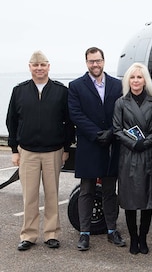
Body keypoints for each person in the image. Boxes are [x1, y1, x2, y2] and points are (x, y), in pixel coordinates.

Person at [6, 50, 74, 251]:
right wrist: (14, 150)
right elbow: (11, 121)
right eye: (35, 65)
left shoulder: (61, 91)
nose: (39, 68)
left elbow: (69, 122)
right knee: (30, 196)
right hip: (27, 151)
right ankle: (29, 235)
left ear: (48, 66)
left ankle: (51, 234)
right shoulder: (19, 91)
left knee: (52, 194)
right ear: (30, 67)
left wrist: (66, 147)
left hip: (54, 150)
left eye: (42, 65)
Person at [68, 47, 125, 251]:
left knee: (110, 190)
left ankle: (112, 230)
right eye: (91, 61)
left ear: (104, 61)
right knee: (87, 190)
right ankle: (84, 233)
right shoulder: (75, 86)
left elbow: (122, 111)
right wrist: (96, 133)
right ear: (86, 63)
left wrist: (110, 132)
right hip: (89, 145)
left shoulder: (117, 85)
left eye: (98, 61)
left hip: (112, 144)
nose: (95, 64)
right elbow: (75, 114)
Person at [113, 62, 152, 255]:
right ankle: (133, 239)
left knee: (147, 200)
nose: (135, 81)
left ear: (145, 80)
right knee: (130, 201)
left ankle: (143, 238)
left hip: (149, 155)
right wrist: (134, 144)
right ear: (128, 80)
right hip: (128, 156)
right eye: (132, 77)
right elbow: (116, 130)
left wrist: (146, 142)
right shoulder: (121, 103)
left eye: (139, 77)